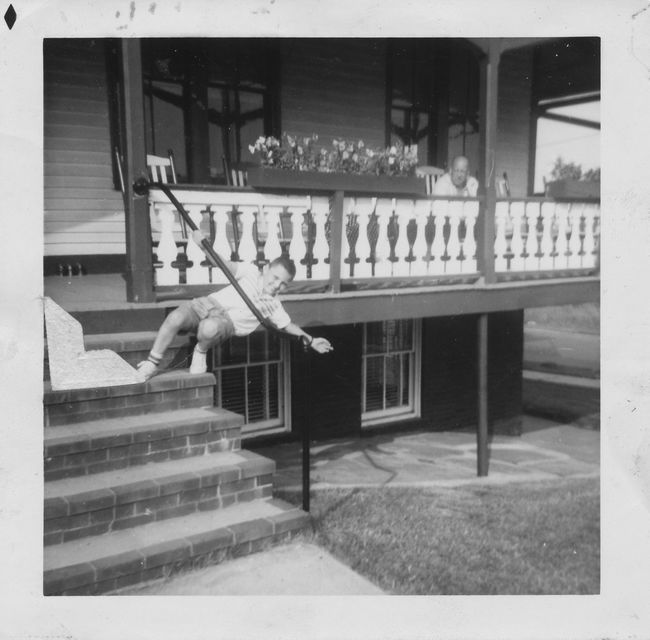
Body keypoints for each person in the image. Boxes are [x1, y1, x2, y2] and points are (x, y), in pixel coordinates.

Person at [137, 231, 333, 380]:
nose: (276, 285)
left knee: (209, 328)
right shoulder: (250, 272)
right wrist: (204, 247)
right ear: (266, 269)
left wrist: (311, 340)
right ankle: (152, 363)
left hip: (225, 322)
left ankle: (200, 351)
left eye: (283, 284)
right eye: (275, 278)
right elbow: (225, 265)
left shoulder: (274, 305)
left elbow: (287, 326)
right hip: (209, 304)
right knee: (175, 317)